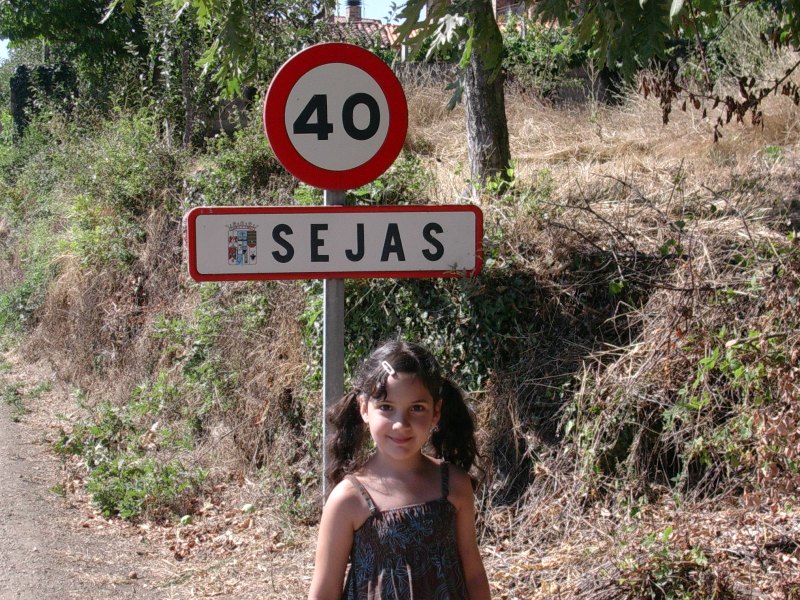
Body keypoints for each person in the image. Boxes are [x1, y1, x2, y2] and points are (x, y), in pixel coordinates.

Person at [308, 340, 491, 600]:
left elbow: (473, 575)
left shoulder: (454, 485)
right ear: (363, 408)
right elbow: (324, 592)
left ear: (436, 411)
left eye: (417, 408)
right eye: (386, 407)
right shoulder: (348, 500)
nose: (400, 424)